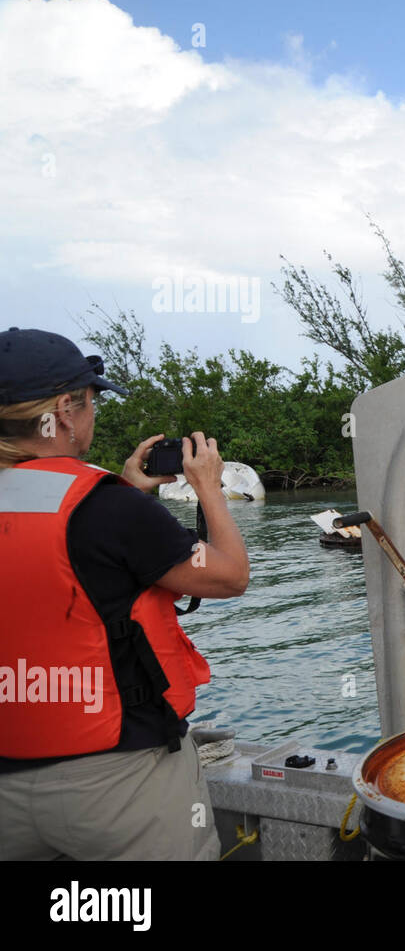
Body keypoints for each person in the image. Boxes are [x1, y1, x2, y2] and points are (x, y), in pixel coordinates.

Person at [0, 327, 250, 860]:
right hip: (117, 777)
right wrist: (207, 485)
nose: (93, 414)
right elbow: (228, 574)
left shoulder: (111, 508)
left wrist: (130, 493)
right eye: (91, 401)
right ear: (65, 410)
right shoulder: (108, 510)